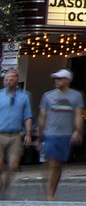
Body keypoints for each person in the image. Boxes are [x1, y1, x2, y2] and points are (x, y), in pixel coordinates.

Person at [38, 69, 85, 201]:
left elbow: (78, 114)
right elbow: (43, 116)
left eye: (59, 78)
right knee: (52, 162)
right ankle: (49, 195)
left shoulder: (76, 96)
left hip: (65, 134)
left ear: (68, 80)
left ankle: (51, 190)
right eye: (55, 79)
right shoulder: (48, 95)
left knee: (58, 164)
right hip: (50, 133)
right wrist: (39, 135)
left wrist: (78, 131)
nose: (56, 81)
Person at [0, 69, 33, 197]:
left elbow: (27, 116)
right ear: (4, 81)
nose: (9, 81)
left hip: (15, 135)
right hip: (0, 134)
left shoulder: (24, 97)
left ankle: (5, 187)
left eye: (12, 78)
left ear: (17, 80)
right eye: (7, 79)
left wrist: (28, 134)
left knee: (13, 166)